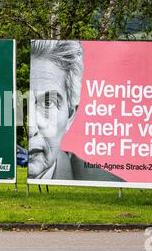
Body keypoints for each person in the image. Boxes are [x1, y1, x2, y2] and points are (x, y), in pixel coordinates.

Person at [29, 40, 124, 181]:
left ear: (70, 116)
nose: (31, 128)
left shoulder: (104, 181)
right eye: (23, 103)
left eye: (48, 103)